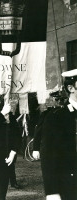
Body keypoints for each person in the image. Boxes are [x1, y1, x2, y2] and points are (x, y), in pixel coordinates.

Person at [33, 69, 77, 200]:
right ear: (71, 88)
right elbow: (49, 155)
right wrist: (52, 192)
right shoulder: (57, 117)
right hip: (70, 182)